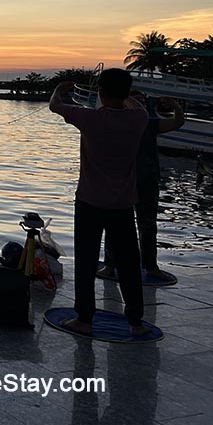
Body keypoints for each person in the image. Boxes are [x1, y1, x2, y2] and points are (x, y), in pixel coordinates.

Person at [49, 69, 150, 336]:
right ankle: (135, 322)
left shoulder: (90, 118)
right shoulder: (139, 118)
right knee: (129, 263)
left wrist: (60, 88)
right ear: (127, 93)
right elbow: (136, 106)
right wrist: (129, 98)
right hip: (123, 205)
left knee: (86, 260)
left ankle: (84, 318)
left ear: (100, 93)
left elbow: (55, 105)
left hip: (90, 202)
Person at [101, 92, 185, 281]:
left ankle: (150, 266)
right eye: (136, 98)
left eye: (142, 100)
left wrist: (175, 106)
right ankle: (109, 264)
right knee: (114, 224)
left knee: (147, 225)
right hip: (120, 182)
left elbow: (177, 122)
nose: (140, 103)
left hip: (147, 181)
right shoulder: (114, 122)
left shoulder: (149, 122)